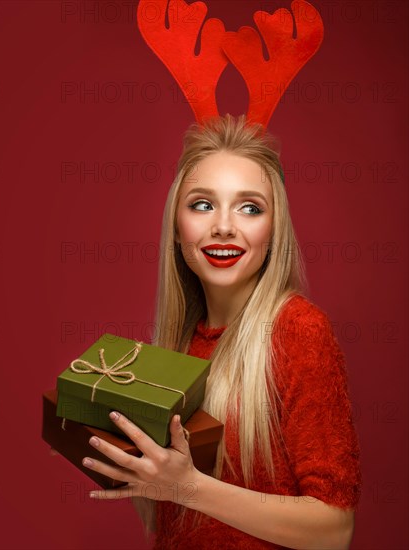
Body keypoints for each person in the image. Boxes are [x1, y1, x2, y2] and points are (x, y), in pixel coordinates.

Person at [82, 115, 361, 549]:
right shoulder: (181, 345)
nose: (224, 226)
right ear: (177, 228)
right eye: (202, 204)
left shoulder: (298, 331)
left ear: (274, 229)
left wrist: (189, 487)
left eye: (250, 207)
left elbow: (334, 530)